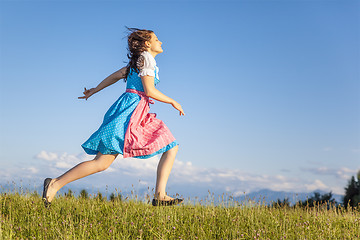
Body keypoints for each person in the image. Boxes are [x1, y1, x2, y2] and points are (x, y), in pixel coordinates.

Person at [42, 27, 185, 208]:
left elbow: (115, 76)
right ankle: (159, 195)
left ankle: (55, 184)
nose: (161, 42)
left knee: (101, 163)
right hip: (130, 114)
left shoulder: (139, 61)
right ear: (147, 44)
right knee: (170, 145)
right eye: (157, 39)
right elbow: (149, 90)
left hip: (131, 111)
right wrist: (173, 101)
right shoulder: (146, 59)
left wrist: (95, 90)